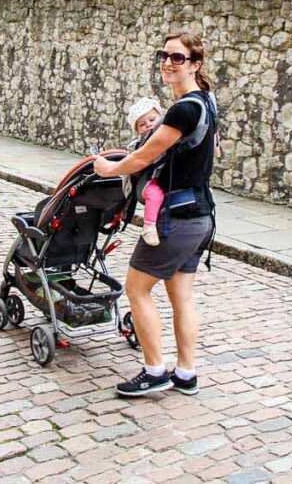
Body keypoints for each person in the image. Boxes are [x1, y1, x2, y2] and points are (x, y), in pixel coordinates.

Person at [92, 32, 218, 398]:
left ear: (194, 64)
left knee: (136, 288)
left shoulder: (182, 109)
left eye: (177, 58)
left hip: (176, 218)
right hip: (201, 213)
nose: (167, 62)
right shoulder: (207, 103)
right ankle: (186, 373)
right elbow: (213, 150)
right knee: (181, 295)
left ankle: (154, 370)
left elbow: (144, 156)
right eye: (164, 56)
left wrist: (108, 169)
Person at [125, 97, 166, 246]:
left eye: (152, 119)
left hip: (169, 176)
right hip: (149, 180)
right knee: (154, 193)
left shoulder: (168, 135)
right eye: (142, 124)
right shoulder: (138, 144)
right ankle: (149, 225)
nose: (148, 125)